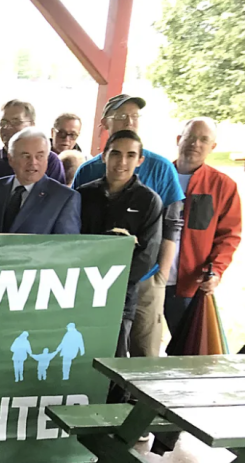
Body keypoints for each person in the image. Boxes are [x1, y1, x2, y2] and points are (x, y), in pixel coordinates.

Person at [72, 94, 184, 359]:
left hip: (139, 282)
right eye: (122, 116)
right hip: (85, 285)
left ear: (139, 160)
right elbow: (72, 235)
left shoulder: (160, 175)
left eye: (134, 116)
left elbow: (170, 226)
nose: (122, 162)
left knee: (141, 350)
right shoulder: (86, 181)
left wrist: (160, 276)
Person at [77, 130, 165, 387]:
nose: (121, 162)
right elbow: (70, 243)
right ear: (104, 156)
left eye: (130, 155)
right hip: (78, 294)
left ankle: (114, 419)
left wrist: (106, 283)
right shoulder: (83, 194)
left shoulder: (149, 201)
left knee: (113, 362)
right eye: (115, 153)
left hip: (119, 299)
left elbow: (146, 257)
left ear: (140, 160)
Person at [164, 117, 242, 338]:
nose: (195, 144)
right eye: (190, 137)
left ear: (213, 147)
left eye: (203, 140)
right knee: (139, 347)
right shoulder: (160, 177)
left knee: (190, 352)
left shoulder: (223, 186)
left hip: (190, 284)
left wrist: (215, 270)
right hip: (149, 282)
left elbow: (229, 236)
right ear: (179, 140)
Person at [0, 127, 80, 234]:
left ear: (47, 159)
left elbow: (67, 246)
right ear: (11, 159)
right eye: (25, 156)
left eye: (39, 156)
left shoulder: (64, 198)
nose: (33, 162)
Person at [0, 100, 66, 183]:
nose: (7, 127)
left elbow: (59, 194)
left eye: (16, 122)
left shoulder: (50, 160)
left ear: (32, 125)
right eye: (3, 123)